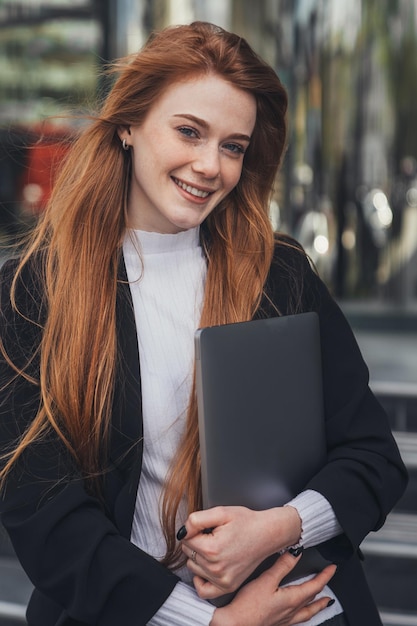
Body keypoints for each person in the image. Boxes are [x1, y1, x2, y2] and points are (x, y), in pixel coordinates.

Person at [0, 21, 407, 626]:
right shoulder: (35, 288)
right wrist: (208, 621)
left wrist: (277, 529)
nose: (209, 165)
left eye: (233, 146)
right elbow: (42, 506)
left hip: (300, 610)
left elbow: (373, 458)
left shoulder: (281, 274)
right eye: (189, 131)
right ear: (130, 126)